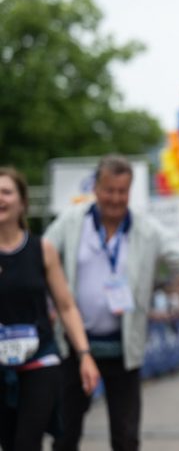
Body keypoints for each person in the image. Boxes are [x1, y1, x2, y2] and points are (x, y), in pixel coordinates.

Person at [44, 155, 179, 451]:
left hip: (125, 350)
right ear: (96, 189)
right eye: (109, 190)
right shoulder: (72, 222)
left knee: (126, 438)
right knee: (65, 435)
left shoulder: (147, 229)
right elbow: (41, 257)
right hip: (76, 347)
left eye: (122, 191)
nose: (115, 198)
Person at [0, 167, 100, 450]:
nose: (0, 199)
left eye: (6, 192)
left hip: (40, 359)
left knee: (26, 442)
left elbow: (66, 306)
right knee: (8, 442)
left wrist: (84, 355)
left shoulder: (42, 249)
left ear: (22, 202)